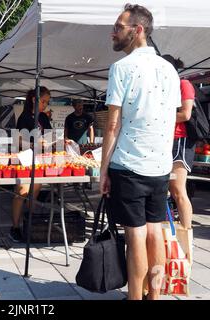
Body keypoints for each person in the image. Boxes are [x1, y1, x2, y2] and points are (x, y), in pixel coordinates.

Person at [100, 4, 181, 300]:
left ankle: (134, 297)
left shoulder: (121, 68)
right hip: (160, 164)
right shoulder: (169, 69)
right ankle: (154, 295)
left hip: (130, 163)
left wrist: (103, 170)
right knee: (155, 229)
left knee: (135, 234)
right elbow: (172, 116)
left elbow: (112, 125)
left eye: (119, 27)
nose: (113, 32)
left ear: (138, 30)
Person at [9, 86, 51, 242]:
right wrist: (33, 144)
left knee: (35, 191)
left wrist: (55, 141)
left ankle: (30, 224)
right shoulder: (25, 117)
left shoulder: (44, 117)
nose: (45, 104)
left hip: (39, 159)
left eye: (47, 102)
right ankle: (15, 227)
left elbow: (49, 135)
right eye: (44, 101)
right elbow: (17, 139)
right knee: (21, 192)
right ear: (35, 100)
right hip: (25, 158)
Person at [162, 55, 196, 229]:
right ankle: (170, 229)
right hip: (165, 140)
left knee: (178, 190)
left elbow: (185, 114)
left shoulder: (184, 84)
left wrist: (157, 117)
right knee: (165, 189)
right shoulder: (165, 87)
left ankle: (187, 231)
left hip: (180, 141)